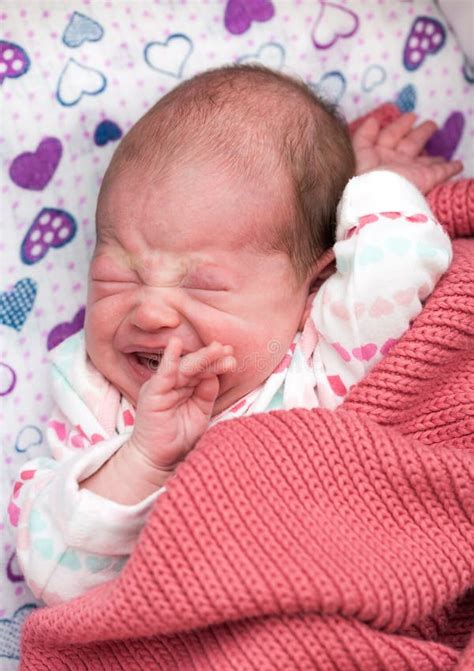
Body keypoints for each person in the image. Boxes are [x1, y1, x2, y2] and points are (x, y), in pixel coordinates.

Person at [8, 65, 462, 605]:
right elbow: (56, 576)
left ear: (311, 289)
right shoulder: (99, 401)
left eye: (203, 287)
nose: (149, 312)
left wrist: (368, 186)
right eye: (116, 276)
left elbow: (403, 258)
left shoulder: (325, 352)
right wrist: (143, 459)